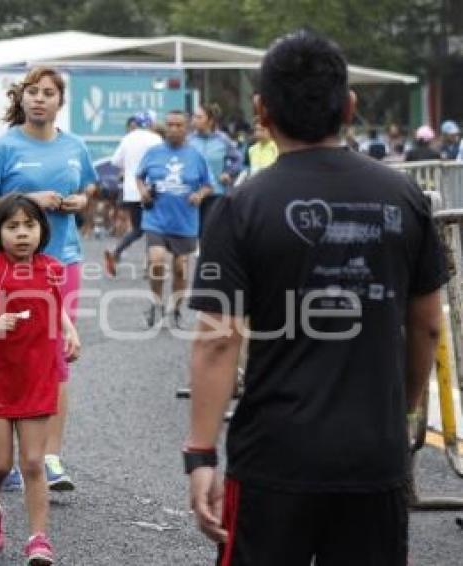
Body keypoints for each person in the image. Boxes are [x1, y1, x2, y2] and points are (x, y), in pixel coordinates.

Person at [185, 30, 446, 566]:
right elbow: (428, 325)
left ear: (261, 111)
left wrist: (202, 454)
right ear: (350, 106)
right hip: (375, 456)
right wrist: (400, 410)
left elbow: (217, 340)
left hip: (274, 457)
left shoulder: (240, 207)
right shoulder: (404, 196)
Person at [0, 66, 97, 492]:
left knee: (56, 359)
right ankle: (5, 459)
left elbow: (89, 192)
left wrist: (80, 200)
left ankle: (49, 457)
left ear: (60, 101)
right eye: (33, 91)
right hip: (8, 269)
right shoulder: (2, 147)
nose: (40, 98)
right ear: (21, 99)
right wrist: (28, 203)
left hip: (62, 261)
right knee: (9, 354)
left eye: (48, 92)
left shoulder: (75, 147)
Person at [0, 194, 80, 566]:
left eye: (29, 225)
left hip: (37, 377)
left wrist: (70, 332)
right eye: (13, 227)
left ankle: (39, 540)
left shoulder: (53, 268)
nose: (22, 234)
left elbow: (55, 306)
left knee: (32, 462)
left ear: (42, 230)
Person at [137, 110, 213, 328]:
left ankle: (176, 309)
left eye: (179, 125)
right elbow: (139, 176)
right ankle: (156, 303)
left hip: (184, 220)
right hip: (156, 218)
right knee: (157, 260)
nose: (173, 129)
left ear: (186, 128)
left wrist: (199, 195)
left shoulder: (196, 156)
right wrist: (142, 191)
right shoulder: (153, 153)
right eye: (170, 124)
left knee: (180, 268)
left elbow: (209, 184)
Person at [104, 111, 162, 277]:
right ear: (150, 123)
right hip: (150, 189)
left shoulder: (128, 138)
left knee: (137, 229)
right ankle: (149, 265)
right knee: (153, 228)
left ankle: (116, 251)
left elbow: (115, 161)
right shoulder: (155, 139)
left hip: (131, 191)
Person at [188, 102, 242, 230]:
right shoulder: (189, 140)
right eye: (194, 116)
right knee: (194, 233)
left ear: (210, 121)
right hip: (193, 194)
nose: (194, 120)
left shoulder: (223, 139)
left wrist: (228, 173)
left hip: (216, 193)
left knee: (212, 231)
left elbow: (238, 159)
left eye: (199, 117)